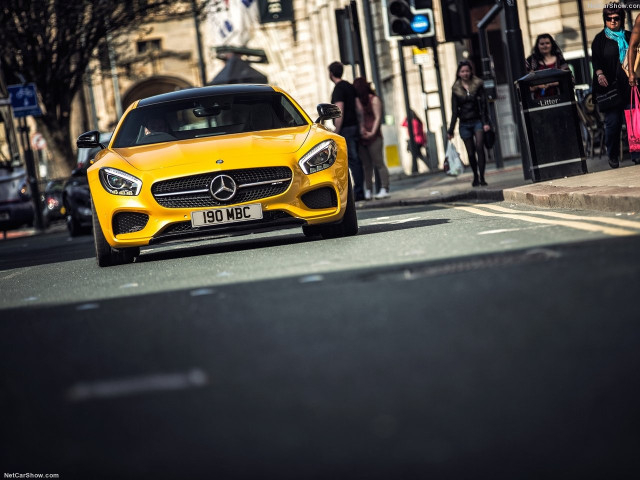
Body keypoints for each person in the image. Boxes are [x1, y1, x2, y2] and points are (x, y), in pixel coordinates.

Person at [592, 3, 640, 168]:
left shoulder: (629, 36)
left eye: (616, 18)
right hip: (610, 90)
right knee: (612, 124)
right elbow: (596, 60)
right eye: (608, 18)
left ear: (623, 19)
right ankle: (612, 155)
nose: (612, 21)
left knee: (634, 122)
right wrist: (599, 74)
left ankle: (637, 154)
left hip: (629, 86)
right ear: (604, 20)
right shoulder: (600, 39)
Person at [447, 60, 491, 187]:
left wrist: (486, 122)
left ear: (470, 72)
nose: (465, 73)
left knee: (479, 147)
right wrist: (451, 130)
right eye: (462, 71)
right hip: (464, 124)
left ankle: (482, 177)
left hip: (478, 121)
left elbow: (484, 105)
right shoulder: (455, 89)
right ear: (459, 73)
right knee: (471, 153)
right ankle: (475, 176)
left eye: (467, 71)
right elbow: (454, 111)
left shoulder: (478, 84)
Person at [328, 61, 365, 201]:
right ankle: (361, 190)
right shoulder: (350, 86)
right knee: (357, 160)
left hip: (346, 129)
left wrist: (336, 131)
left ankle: (359, 192)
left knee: (352, 161)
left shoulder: (338, 89)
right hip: (355, 127)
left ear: (331, 74)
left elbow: (339, 111)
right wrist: (361, 126)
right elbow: (359, 108)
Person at [353, 77, 390, 200]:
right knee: (366, 166)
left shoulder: (374, 100)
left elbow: (378, 118)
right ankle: (368, 190)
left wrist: (372, 133)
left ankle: (385, 188)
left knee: (378, 162)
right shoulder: (358, 102)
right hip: (363, 137)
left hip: (375, 137)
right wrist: (362, 130)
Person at [525, 33, 570, 98]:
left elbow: (569, 79)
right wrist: (537, 86)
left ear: (552, 44)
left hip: (560, 98)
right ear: (537, 46)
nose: (545, 46)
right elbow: (524, 83)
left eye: (547, 43)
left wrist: (552, 83)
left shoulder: (559, 59)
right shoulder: (530, 60)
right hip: (537, 102)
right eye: (542, 44)